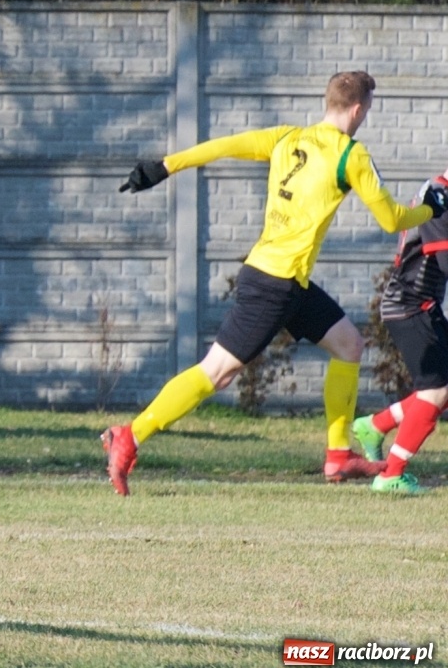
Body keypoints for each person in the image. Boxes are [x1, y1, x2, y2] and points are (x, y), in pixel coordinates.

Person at [103, 70, 447, 495]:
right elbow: (392, 218)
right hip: (274, 286)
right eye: (368, 109)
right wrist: (431, 209)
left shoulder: (287, 138)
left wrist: (164, 166)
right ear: (358, 109)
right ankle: (130, 437)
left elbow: (225, 145)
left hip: (286, 281)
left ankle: (339, 456)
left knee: (348, 344)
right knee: (217, 373)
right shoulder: (350, 156)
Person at [351, 170, 448, 494]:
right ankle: (391, 474)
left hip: (418, 305)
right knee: (436, 391)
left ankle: (375, 426)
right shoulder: (440, 198)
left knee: (440, 387)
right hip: (412, 305)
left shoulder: (436, 190)